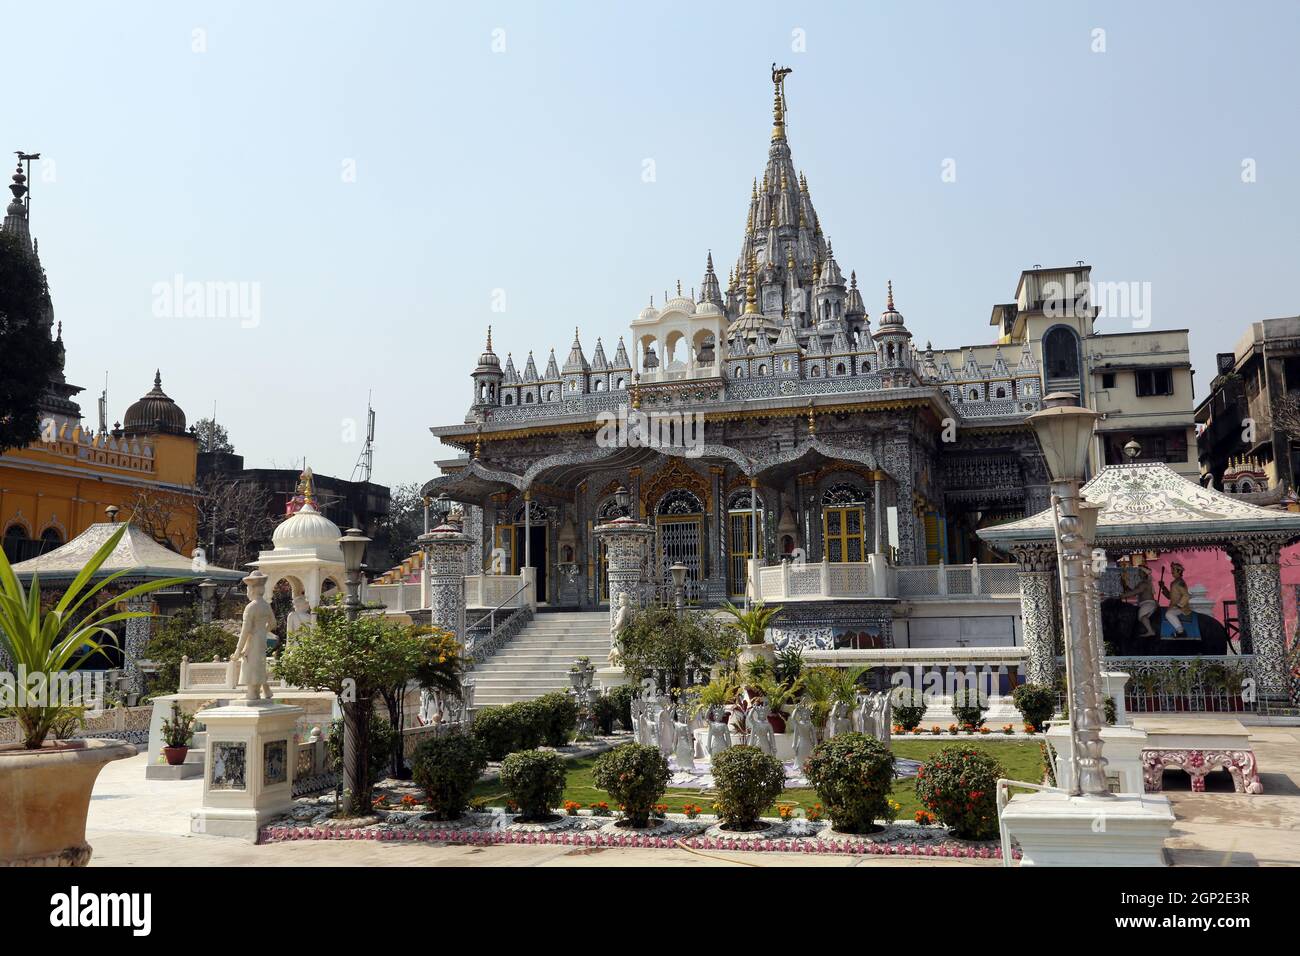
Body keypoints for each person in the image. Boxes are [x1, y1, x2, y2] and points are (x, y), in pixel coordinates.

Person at [1122, 564, 1159, 637]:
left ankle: (1150, 631)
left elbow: (1135, 592)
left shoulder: (1144, 583)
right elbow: (1132, 591)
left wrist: (1122, 596)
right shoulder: (1142, 583)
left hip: (1148, 603)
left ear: (1143, 573)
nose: (1138, 573)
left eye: (1140, 571)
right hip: (1144, 604)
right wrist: (1125, 585)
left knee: (1142, 617)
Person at [1159, 561, 1192, 638]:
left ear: (1179, 571)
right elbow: (1170, 597)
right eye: (1172, 569)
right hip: (1173, 606)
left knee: (1168, 614)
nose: (1172, 571)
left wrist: (1179, 606)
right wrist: (1163, 587)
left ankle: (1181, 631)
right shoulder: (1174, 583)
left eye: (1174, 569)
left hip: (1182, 608)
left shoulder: (1180, 582)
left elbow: (1186, 595)